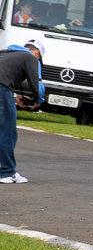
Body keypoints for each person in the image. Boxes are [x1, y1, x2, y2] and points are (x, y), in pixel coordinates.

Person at [0, 40, 45, 184]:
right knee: (8, 131)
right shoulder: (30, 58)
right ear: (37, 53)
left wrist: (17, 96)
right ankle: (7, 172)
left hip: (3, 87)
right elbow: (36, 85)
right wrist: (38, 100)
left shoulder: (6, 53)